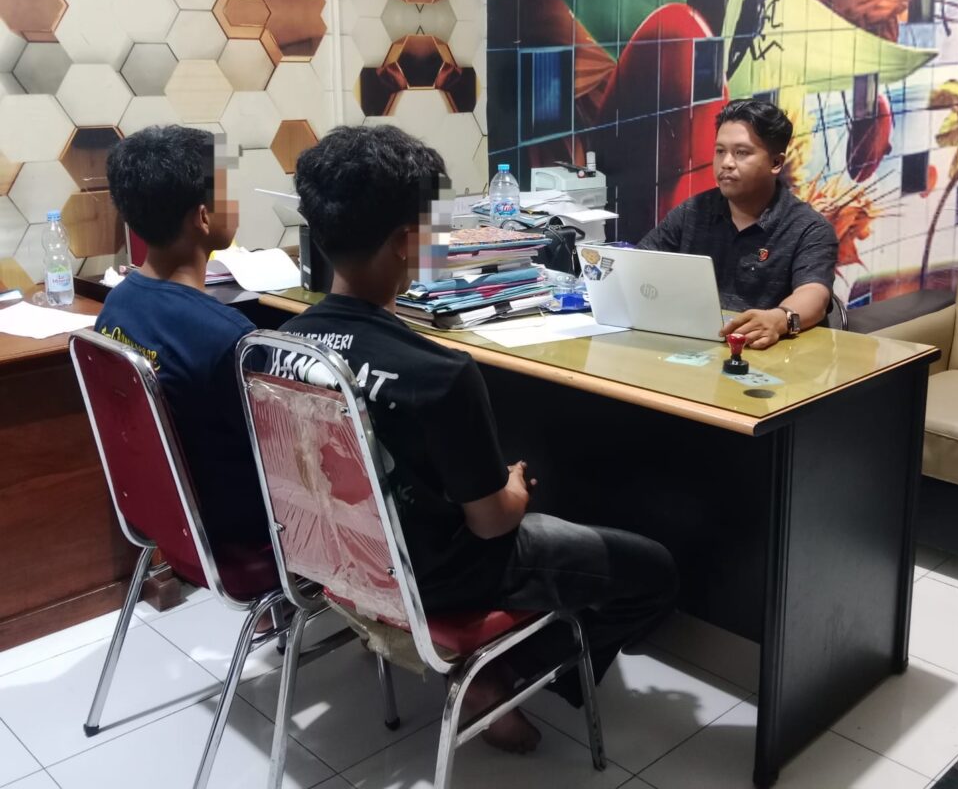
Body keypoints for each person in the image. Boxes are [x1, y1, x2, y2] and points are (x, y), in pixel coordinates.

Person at [269, 124, 678, 754]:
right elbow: (491, 524)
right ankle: (500, 675)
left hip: (333, 556)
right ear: (407, 242)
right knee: (655, 571)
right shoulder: (439, 373)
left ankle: (489, 666)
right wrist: (514, 488)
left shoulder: (277, 346)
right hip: (437, 574)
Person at [96, 125, 268, 549]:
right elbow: (279, 455)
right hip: (238, 532)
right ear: (203, 217)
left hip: (165, 516)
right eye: (227, 193)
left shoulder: (116, 305)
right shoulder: (229, 338)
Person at [639, 98, 838, 349]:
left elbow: (815, 295)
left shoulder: (809, 228)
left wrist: (779, 320)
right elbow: (640, 263)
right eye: (720, 151)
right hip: (698, 347)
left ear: (776, 163)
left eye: (741, 153)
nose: (726, 163)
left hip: (769, 355)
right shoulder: (693, 212)